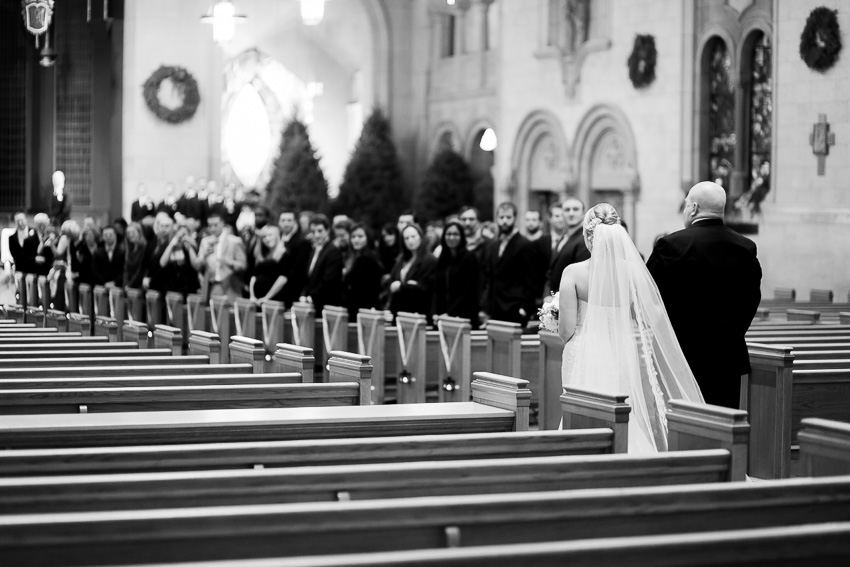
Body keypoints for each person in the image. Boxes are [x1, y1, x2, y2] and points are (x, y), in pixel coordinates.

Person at [559, 203, 704, 454]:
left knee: (579, 413)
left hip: (582, 350)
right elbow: (653, 318)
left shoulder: (573, 272)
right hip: (620, 352)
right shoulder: (632, 272)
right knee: (622, 411)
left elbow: (565, 330)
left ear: (587, 235)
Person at [647, 181, 762, 409]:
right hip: (727, 358)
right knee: (722, 426)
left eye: (686, 204)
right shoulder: (745, 247)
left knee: (684, 427)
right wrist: (731, 334)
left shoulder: (671, 245)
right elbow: (751, 299)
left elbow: (649, 295)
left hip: (681, 357)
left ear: (694, 208)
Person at [482, 202, 536, 327]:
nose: (504, 221)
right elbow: (490, 277)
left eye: (508, 217)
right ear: (496, 219)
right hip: (495, 307)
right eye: (501, 218)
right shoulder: (494, 245)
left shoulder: (525, 244)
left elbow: (531, 279)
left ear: (514, 219)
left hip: (515, 307)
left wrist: (525, 307)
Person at [387, 223, 437, 322]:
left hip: (418, 314)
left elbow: (424, 288)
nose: (410, 241)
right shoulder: (402, 259)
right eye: (406, 238)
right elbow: (391, 282)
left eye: (413, 236)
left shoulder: (429, 260)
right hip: (400, 312)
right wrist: (409, 285)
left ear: (420, 237)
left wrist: (402, 286)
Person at [434, 220, 480, 328]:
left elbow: (468, 290)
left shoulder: (470, 258)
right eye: (448, 234)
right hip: (442, 317)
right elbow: (436, 288)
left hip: (463, 316)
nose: (451, 237)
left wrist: (449, 313)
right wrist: (435, 313)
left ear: (462, 237)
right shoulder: (442, 259)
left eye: (455, 234)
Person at [194, 212, 247, 302]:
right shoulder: (205, 241)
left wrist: (228, 261)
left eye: (215, 225)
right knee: (214, 314)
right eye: (210, 226)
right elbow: (197, 266)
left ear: (222, 223)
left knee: (231, 314)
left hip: (230, 285)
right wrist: (204, 255)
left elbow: (243, 265)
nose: (212, 228)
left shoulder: (234, 241)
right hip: (212, 285)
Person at [300, 214, 343, 313]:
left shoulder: (333, 251)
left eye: (320, 231)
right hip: (312, 304)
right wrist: (304, 295)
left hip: (325, 305)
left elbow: (329, 280)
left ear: (327, 231)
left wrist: (311, 298)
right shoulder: (314, 250)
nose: (316, 235)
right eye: (313, 231)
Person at [548, 197, 590, 295]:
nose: (571, 213)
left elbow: (580, 276)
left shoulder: (585, 239)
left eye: (575, 209)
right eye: (567, 210)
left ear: (583, 213)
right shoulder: (564, 236)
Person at [342, 223, 383, 319]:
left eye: (360, 236)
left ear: (368, 238)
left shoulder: (366, 258)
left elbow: (360, 290)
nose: (356, 240)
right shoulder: (354, 257)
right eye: (353, 237)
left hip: (363, 310)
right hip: (358, 309)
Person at [278, 207, 311, 308]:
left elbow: (298, 270)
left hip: (291, 291)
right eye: (283, 220)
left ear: (295, 222)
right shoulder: (276, 238)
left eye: (289, 220)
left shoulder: (302, 242)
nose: (286, 223)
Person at [249, 225, 288, 304]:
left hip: (274, 299)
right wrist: (252, 296)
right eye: (264, 237)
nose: (267, 239)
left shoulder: (284, 254)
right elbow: (254, 277)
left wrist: (266, 298)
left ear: (277, 236)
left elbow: (282, 279)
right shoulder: (261, 254)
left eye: (270, 235)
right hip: (256, 299)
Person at [123, 222, 150, 289]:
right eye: (128, 233)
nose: (130, 235)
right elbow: (126, 269)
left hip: (140, 285)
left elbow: (141, 270)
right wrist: (125, 284)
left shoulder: (145, 247)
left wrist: (130, 285)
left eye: (133, 232)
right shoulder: (129, 248)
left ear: (139, 233)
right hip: (128, 286)